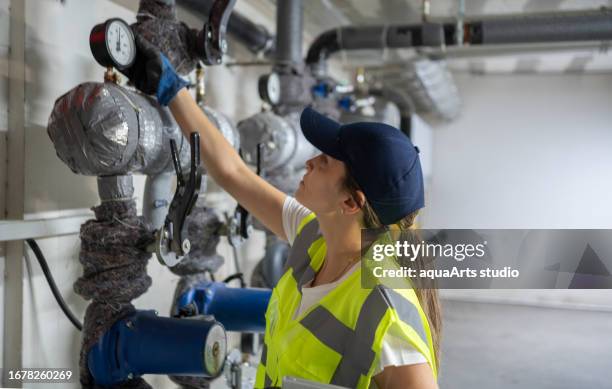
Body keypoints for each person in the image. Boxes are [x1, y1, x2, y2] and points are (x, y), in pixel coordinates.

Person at [125, 36, 440, 389]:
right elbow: (233, 173)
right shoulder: (315, 238)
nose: (308, 162)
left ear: (351, 203)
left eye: (323, 162)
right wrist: (171, 90)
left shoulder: (387, 314)